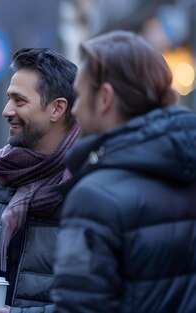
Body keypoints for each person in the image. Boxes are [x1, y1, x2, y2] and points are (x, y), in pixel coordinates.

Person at [52, 30, 196, 312]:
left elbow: (78, 306)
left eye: (79, 96)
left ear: (105, 97)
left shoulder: (93, 197)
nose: (75, 110)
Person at [0, 48, 79, 313]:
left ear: (57, 109)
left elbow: (100, 302)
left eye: (19, 101)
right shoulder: (5, 180)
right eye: (9, 99)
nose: (7, 111)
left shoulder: (87, 186)